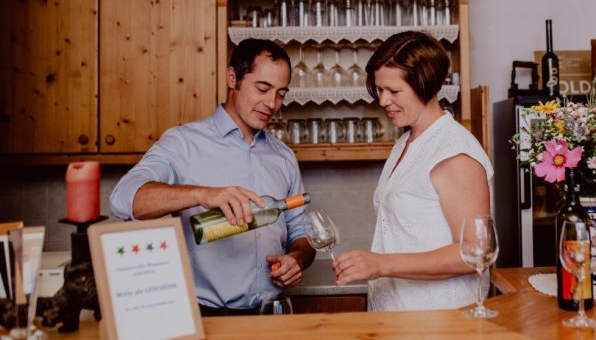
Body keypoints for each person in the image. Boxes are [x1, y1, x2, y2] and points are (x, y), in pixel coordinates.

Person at [109, 38, 314, 316]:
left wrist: (296, 259)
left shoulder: (283, 156)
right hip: (205, 315)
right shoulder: (183, 142)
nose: (272, 103)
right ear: (233, 78)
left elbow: (301, 235)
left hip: (272, 315)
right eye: (263, 88)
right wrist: (201, 194)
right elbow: (123, 199)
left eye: (280, 93)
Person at [332, 31, 494, 311]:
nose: (383, 101)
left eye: (394, 91)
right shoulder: (407, 142)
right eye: (379, 90)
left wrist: (380, 263)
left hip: (441, 321)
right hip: (399, 314)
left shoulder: (455, 153)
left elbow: (475, 251)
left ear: (426, 85)